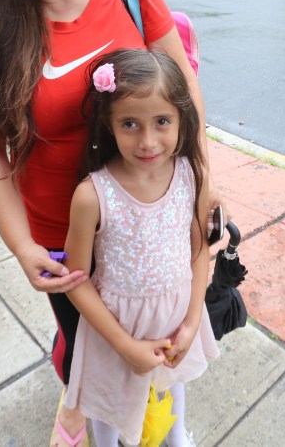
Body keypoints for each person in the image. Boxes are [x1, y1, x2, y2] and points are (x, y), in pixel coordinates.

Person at [0, 0, 214, 447]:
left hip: (152, 221)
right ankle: (83, 414)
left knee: (162, 346)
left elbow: (186, 101)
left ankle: (137, 425)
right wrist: (22, 247)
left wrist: (203, 186)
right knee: (93, 349)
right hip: (60, 239)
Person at [63, 49, 219, 447]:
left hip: (177, 316)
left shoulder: (190, 174)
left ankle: (175, 435)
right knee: (111, 402)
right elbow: (75, 279)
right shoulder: (92, 195)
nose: (148, 141)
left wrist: (190, 322)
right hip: (117, 329)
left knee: (171, 376)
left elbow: (198, 249)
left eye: (162, 122)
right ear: (108, 123)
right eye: (130, 123)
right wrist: (125, 345)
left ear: (182, 118)